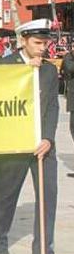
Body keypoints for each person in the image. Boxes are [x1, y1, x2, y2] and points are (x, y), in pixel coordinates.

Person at [0, 19, 69, 254]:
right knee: (7, 193)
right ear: (23, 41)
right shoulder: (4, 65)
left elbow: (53, 107)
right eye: (37, 43)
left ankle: (44, 251)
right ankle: (0, 241)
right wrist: (27, 72)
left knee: (48, 196)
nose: (42, 48)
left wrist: (48, 138)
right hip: (15, 144)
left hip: (43, 146)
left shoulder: (48, 70)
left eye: (45, 43)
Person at [60, 40, 74, 178]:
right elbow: (65, 70)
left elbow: (69, 68)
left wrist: (69, 55)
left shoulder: (70, 57)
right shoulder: (69, 57)